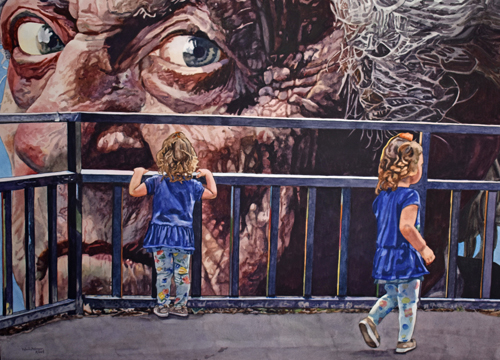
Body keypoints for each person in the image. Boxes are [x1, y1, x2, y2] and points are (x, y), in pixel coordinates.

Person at [359, 133, 436, 353]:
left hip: (386, 255)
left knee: (392, 294)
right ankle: (404, 340)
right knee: (409, 300)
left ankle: (372, 320)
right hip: (405, 255)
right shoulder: (410, 196)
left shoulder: (382, 196)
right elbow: (406, 227)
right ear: (411, 170)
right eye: (420, 164)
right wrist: (423, 248)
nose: (422, 168)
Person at [129, 132, 217, 318]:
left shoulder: (157, 181)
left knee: (163, 273)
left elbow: (134, 191)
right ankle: (180, 306)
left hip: (160, 234)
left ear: (164, 158)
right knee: (182, 272)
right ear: (189, 160)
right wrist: (208, 174)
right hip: (182, 235)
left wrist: (138, 173)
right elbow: (212, 193)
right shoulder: (192, 184)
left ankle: (162, 305)